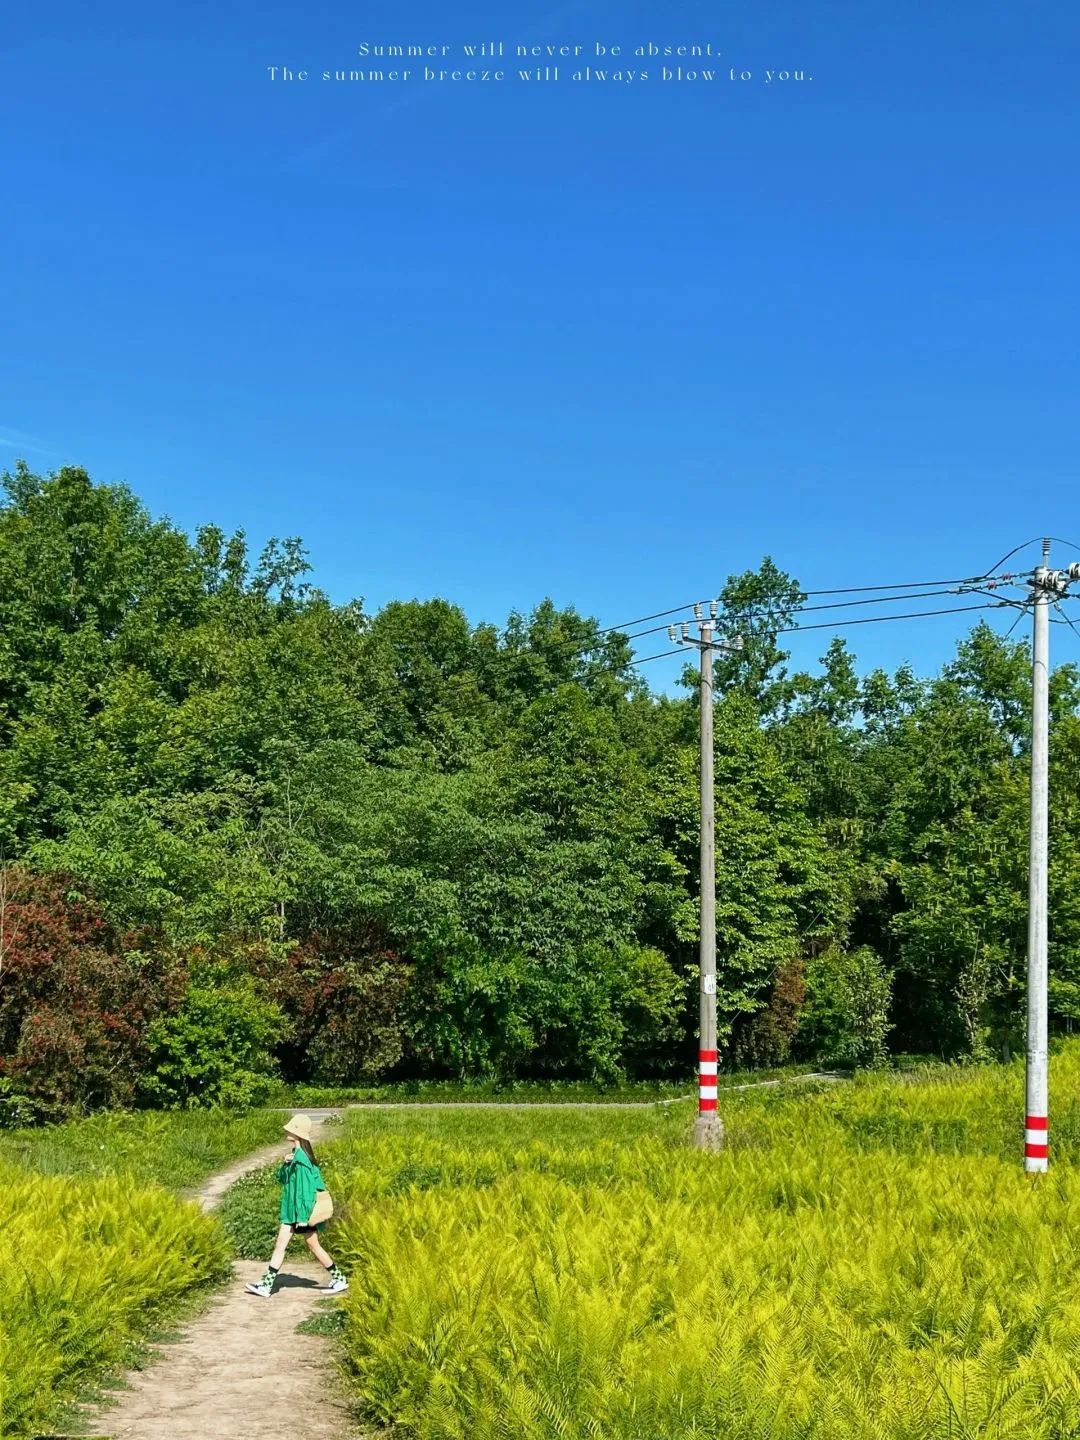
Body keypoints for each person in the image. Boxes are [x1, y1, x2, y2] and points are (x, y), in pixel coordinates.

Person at [245, 1114, 348, 1298]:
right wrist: (285, 1165)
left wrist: (302, 1217)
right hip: (292, 1212)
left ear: (297, 1133)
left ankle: (339, 1279)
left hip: (300, 1213)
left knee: (310, 1246)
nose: (286, 1130)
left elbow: (305, 1191)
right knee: (288, 1245)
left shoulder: (302, 1161)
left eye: (290, 1128)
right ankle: (267, 1285)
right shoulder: (296, 1157)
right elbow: (283, 1180)